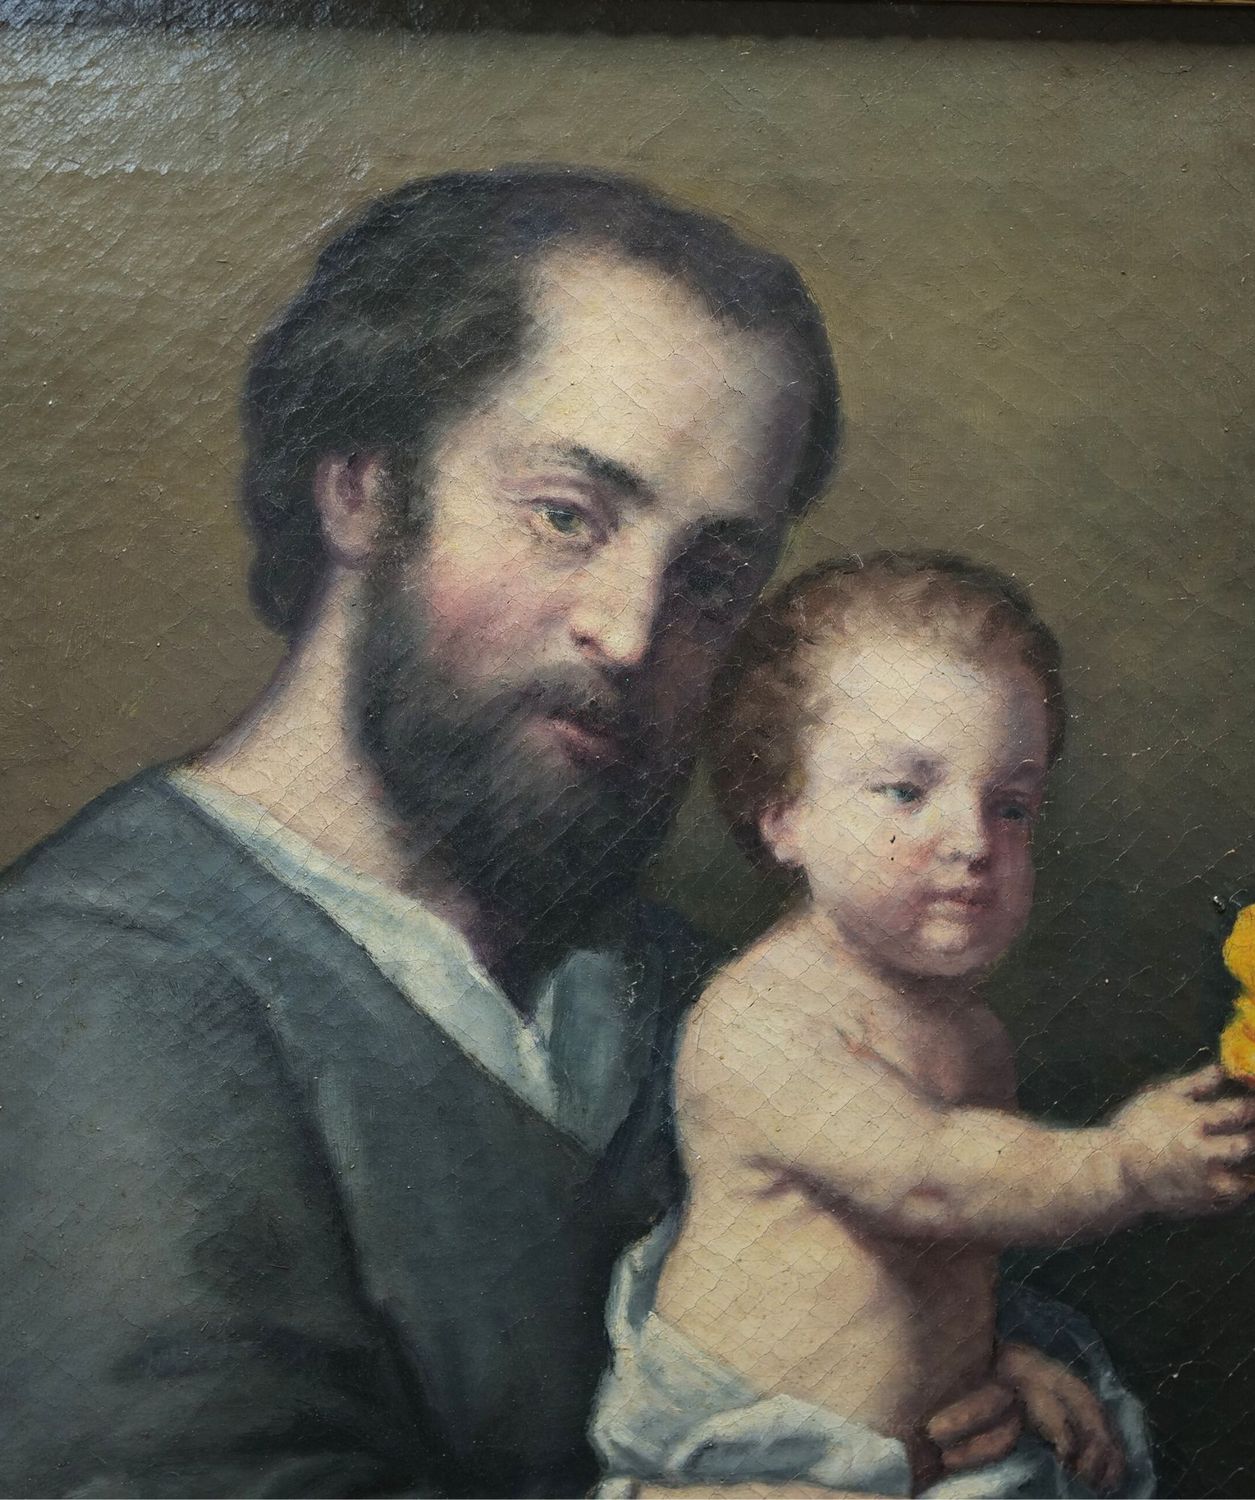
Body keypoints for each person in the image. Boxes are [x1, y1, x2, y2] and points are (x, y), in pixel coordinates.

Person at [0, 169, 1052, 1498]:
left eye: (713, 577)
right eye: (567, 517)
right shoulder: (86, 991)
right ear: (363, 488)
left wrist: (1004, 1388)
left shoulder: (700, 993)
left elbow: (968, 1342)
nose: (632, 630)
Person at [592, 553, 1255, 1498]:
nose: (972, 842)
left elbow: (930, 1264)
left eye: (1011, 806)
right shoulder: (765, 1018)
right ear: (784, 815)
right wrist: (1125, 1165)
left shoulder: (974, 1036)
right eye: (906, 792)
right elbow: (929, 1179)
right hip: (753, 1465)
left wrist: (988, 1361)